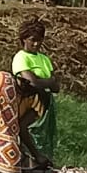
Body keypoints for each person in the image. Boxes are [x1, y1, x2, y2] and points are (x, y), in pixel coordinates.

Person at [11, 17, 59, 163]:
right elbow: (32, 83)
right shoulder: (21, 58)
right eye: (32, 40)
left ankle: (40, 161)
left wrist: (43, 82)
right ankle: (35, 157)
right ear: (24, 39)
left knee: (43, 136)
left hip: (43, 105)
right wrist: (48, 82)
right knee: (25, 128)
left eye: (40, 40)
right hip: (28, 102)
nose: (36, 43)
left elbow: (56, 87)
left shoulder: (44, 59)